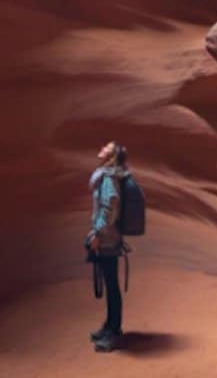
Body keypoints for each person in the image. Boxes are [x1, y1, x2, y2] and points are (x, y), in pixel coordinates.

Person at [86, 140, 129, 352]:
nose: (102, 147)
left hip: (107, 238)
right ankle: (110, 325)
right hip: (108, 236)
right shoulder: (106, 175)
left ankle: (113, 330)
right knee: (110, 283)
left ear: (111, 156)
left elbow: (110, 205)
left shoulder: (109, 178)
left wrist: (97, 233)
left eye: (107, 148)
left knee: (111, 285)